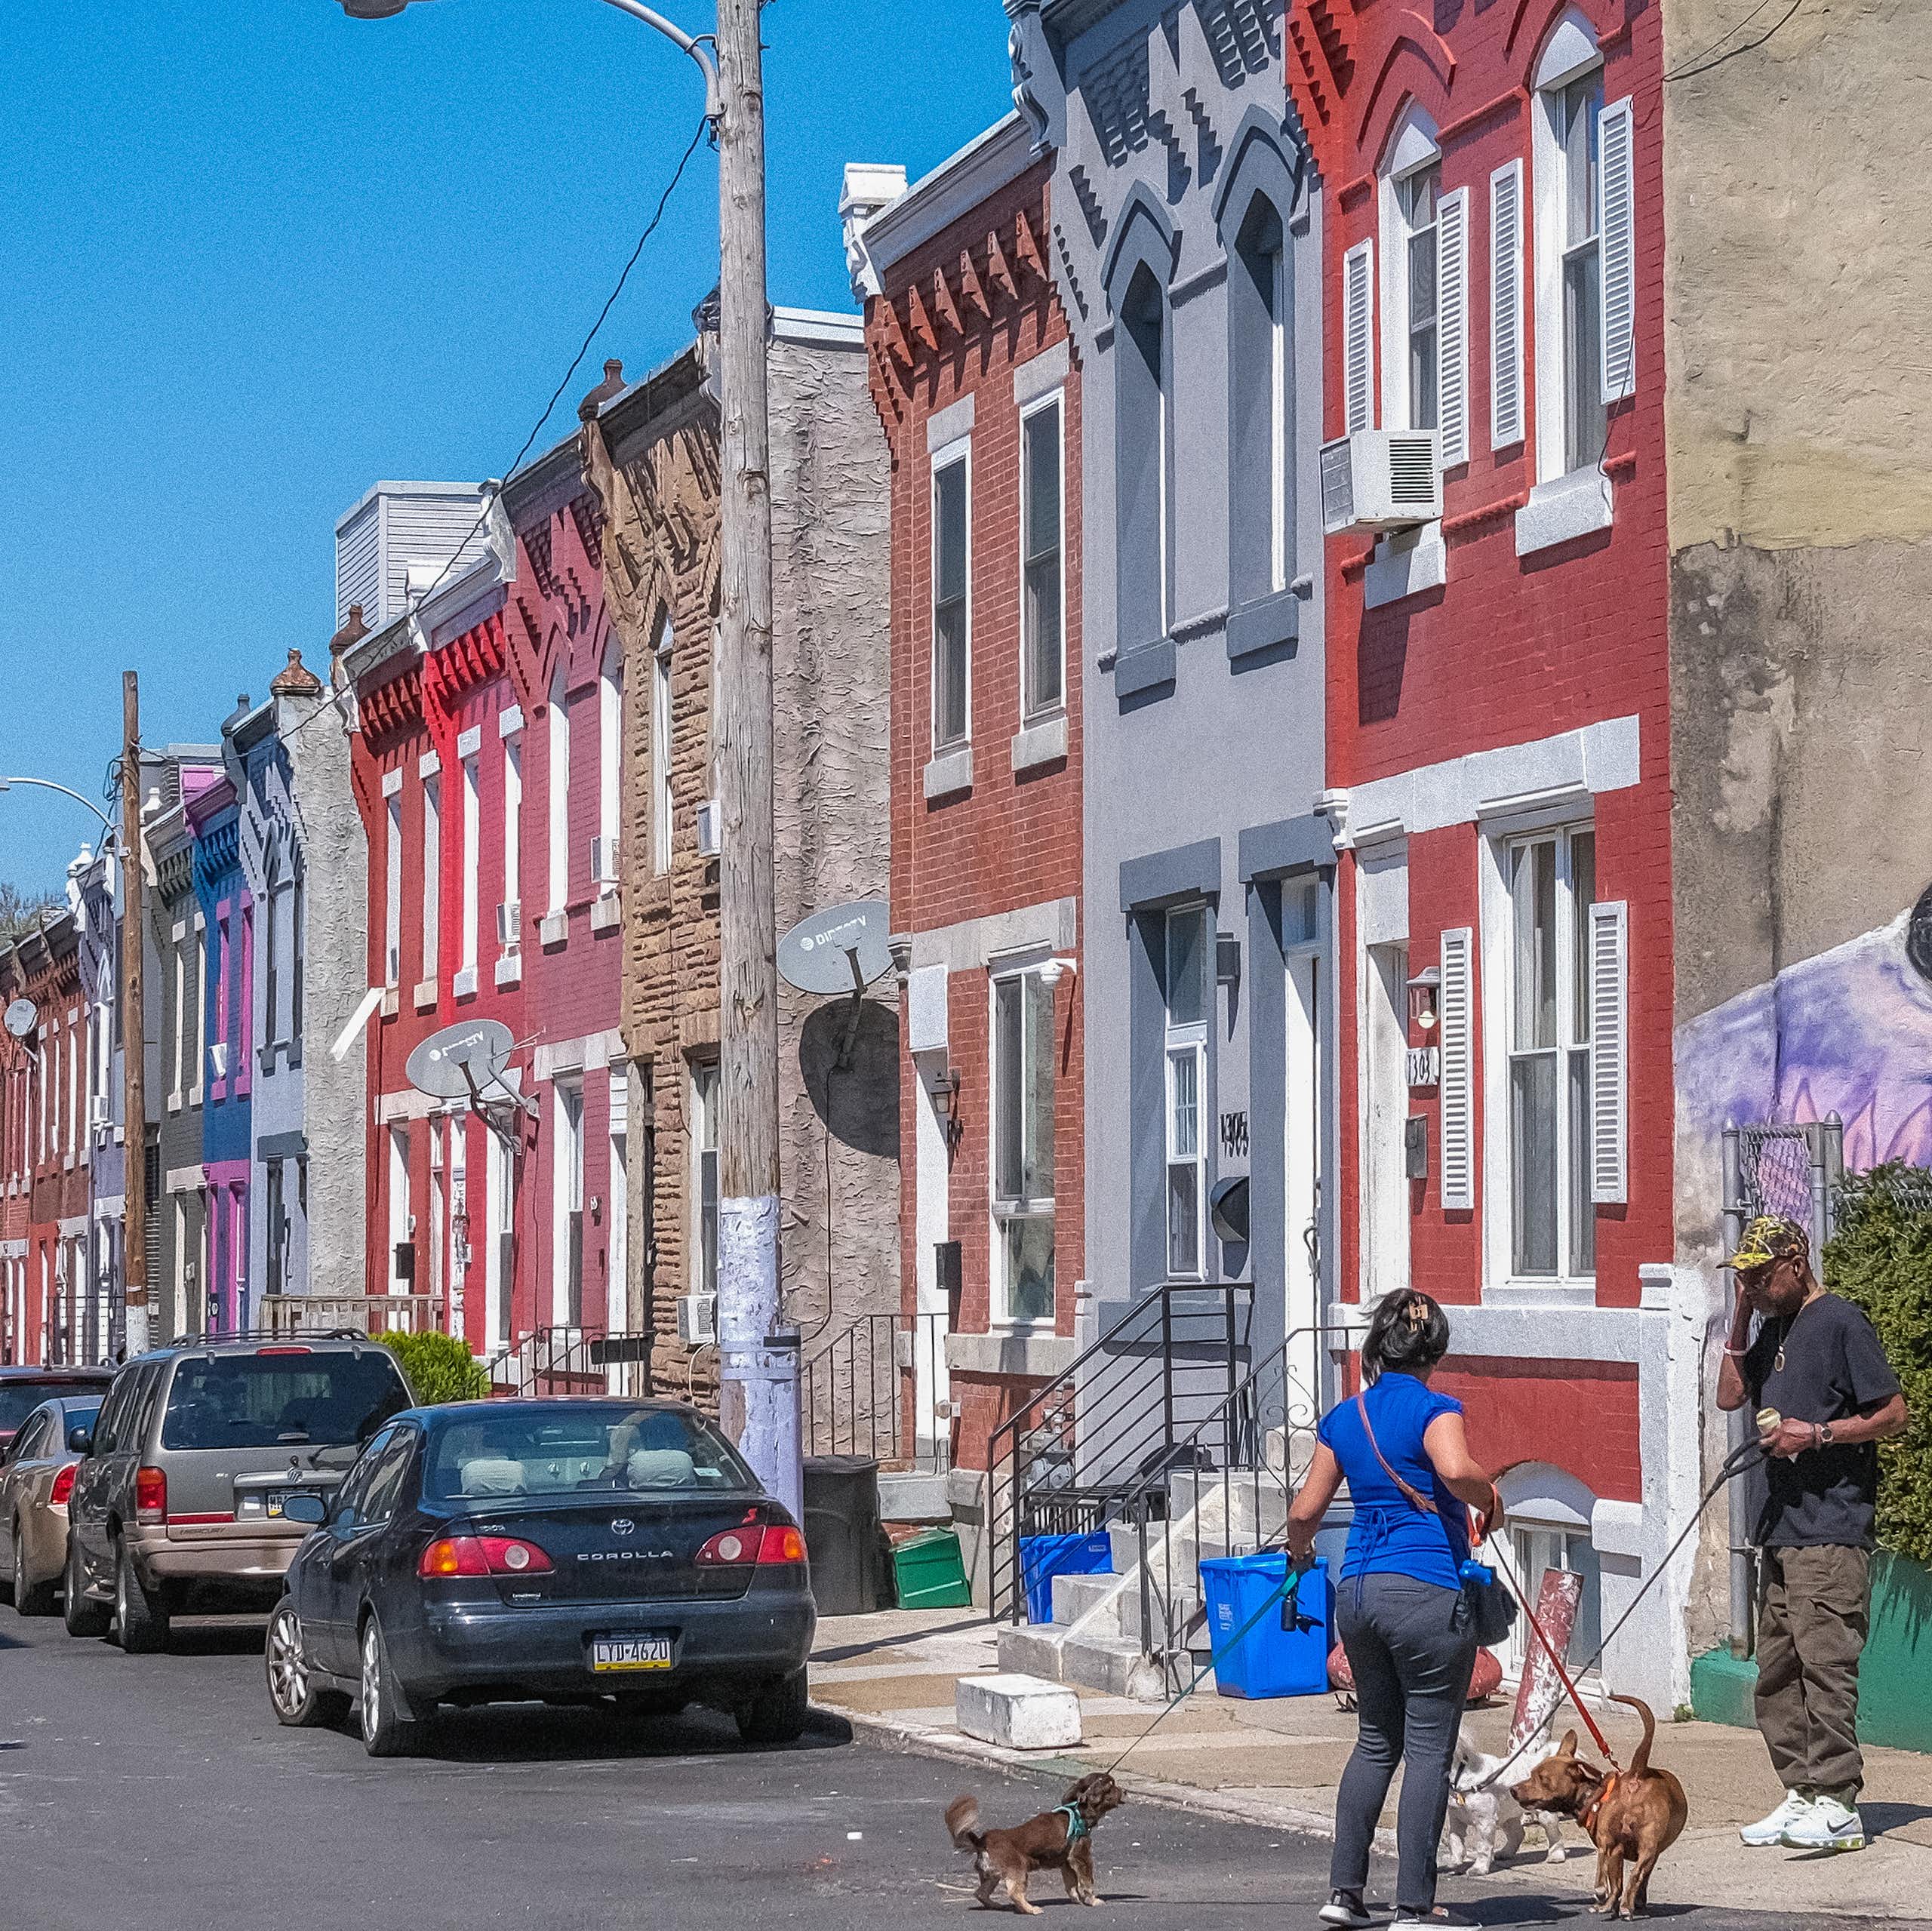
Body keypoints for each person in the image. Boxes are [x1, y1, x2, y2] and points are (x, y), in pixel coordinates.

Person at [1287, 1290, 1499, 1929]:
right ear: (1435, 1351)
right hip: (1426, 1588)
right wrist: (1491, 1496)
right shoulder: (1437, 1408)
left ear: (1378, 1345)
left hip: (1358, 1591)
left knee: (1375, 1741)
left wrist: (1300, 1555)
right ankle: (1414, 1905)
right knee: (1429, 1749)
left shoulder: (1344, 1416)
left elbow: (1304, 1511)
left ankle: (1345, 1892)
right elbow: (1455, 1468)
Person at [1716, 1213, 1907, 1853]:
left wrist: (1819, 1433)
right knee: (1777, 1670)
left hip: (1831, 1526)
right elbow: (1729, 1396)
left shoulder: (1842, 1321)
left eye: (1761, 1275)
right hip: (1780, 1527)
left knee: (1826, 1666)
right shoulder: (1770, 1326)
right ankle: (1800, 1791)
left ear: (1797, 1263)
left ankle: (1838, 1801)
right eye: (1745, 1277)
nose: (1754, 1285)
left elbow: (1894, 1413)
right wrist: (1742, 1313)